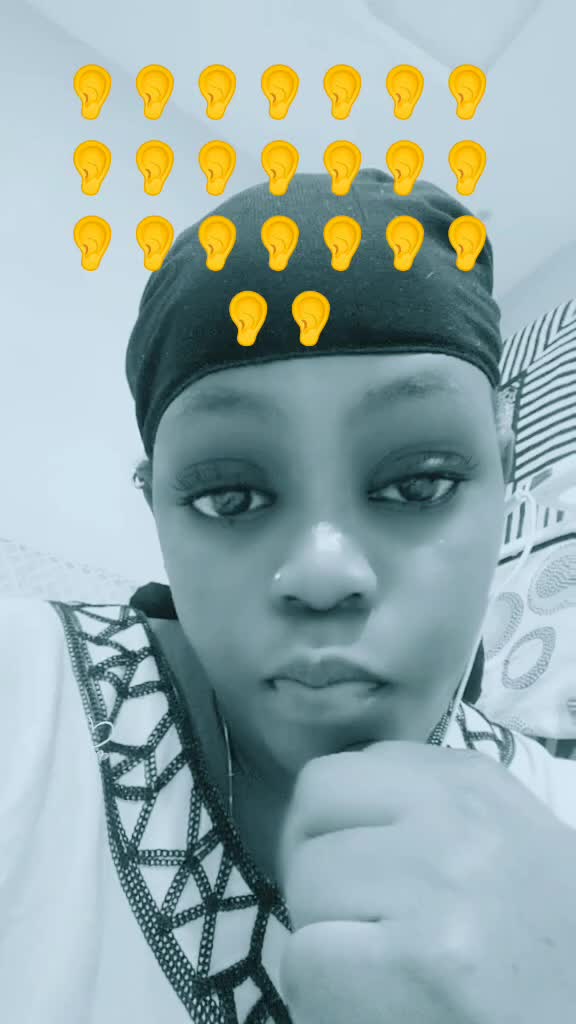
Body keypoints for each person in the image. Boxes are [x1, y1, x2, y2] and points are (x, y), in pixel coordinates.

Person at [2, 168, 576, 1023]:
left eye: (418, 483)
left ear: (505, 473)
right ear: (155, 507)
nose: (322, 571)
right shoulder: (26, 704)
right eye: (229, 496)